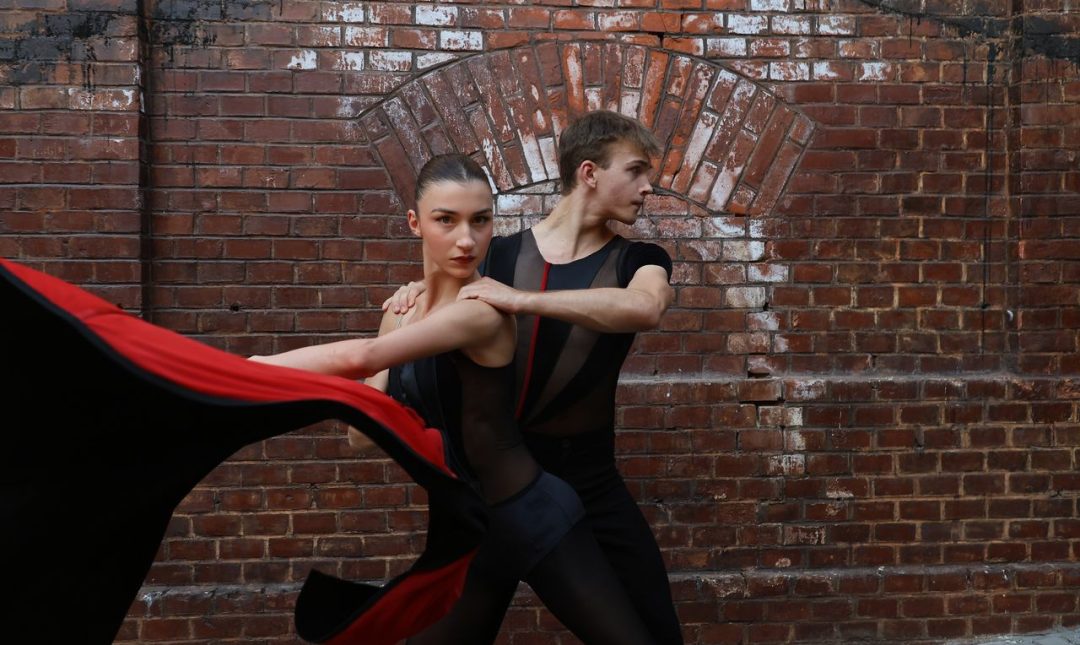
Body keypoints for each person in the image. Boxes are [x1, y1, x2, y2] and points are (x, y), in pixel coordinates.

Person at [253, 153, 656, 645]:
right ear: (415, 223)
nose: (466, 239)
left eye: (480, 221)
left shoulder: (481, 310)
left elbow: (360, 356)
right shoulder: (402, 311)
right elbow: (362, 435)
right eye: (446, 220)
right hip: (470, 531)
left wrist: (240, 369)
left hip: (531, 514)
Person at [389, 111, 683, 644]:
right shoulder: (496, 253)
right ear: (589, 173)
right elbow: (441, 296)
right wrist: (415, 291)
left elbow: (646, 307)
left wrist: (523, 300)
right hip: (500, 485)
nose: (648, 186)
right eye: (636, 170)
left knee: (657, 635)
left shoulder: (639, 259)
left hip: (590, 483)